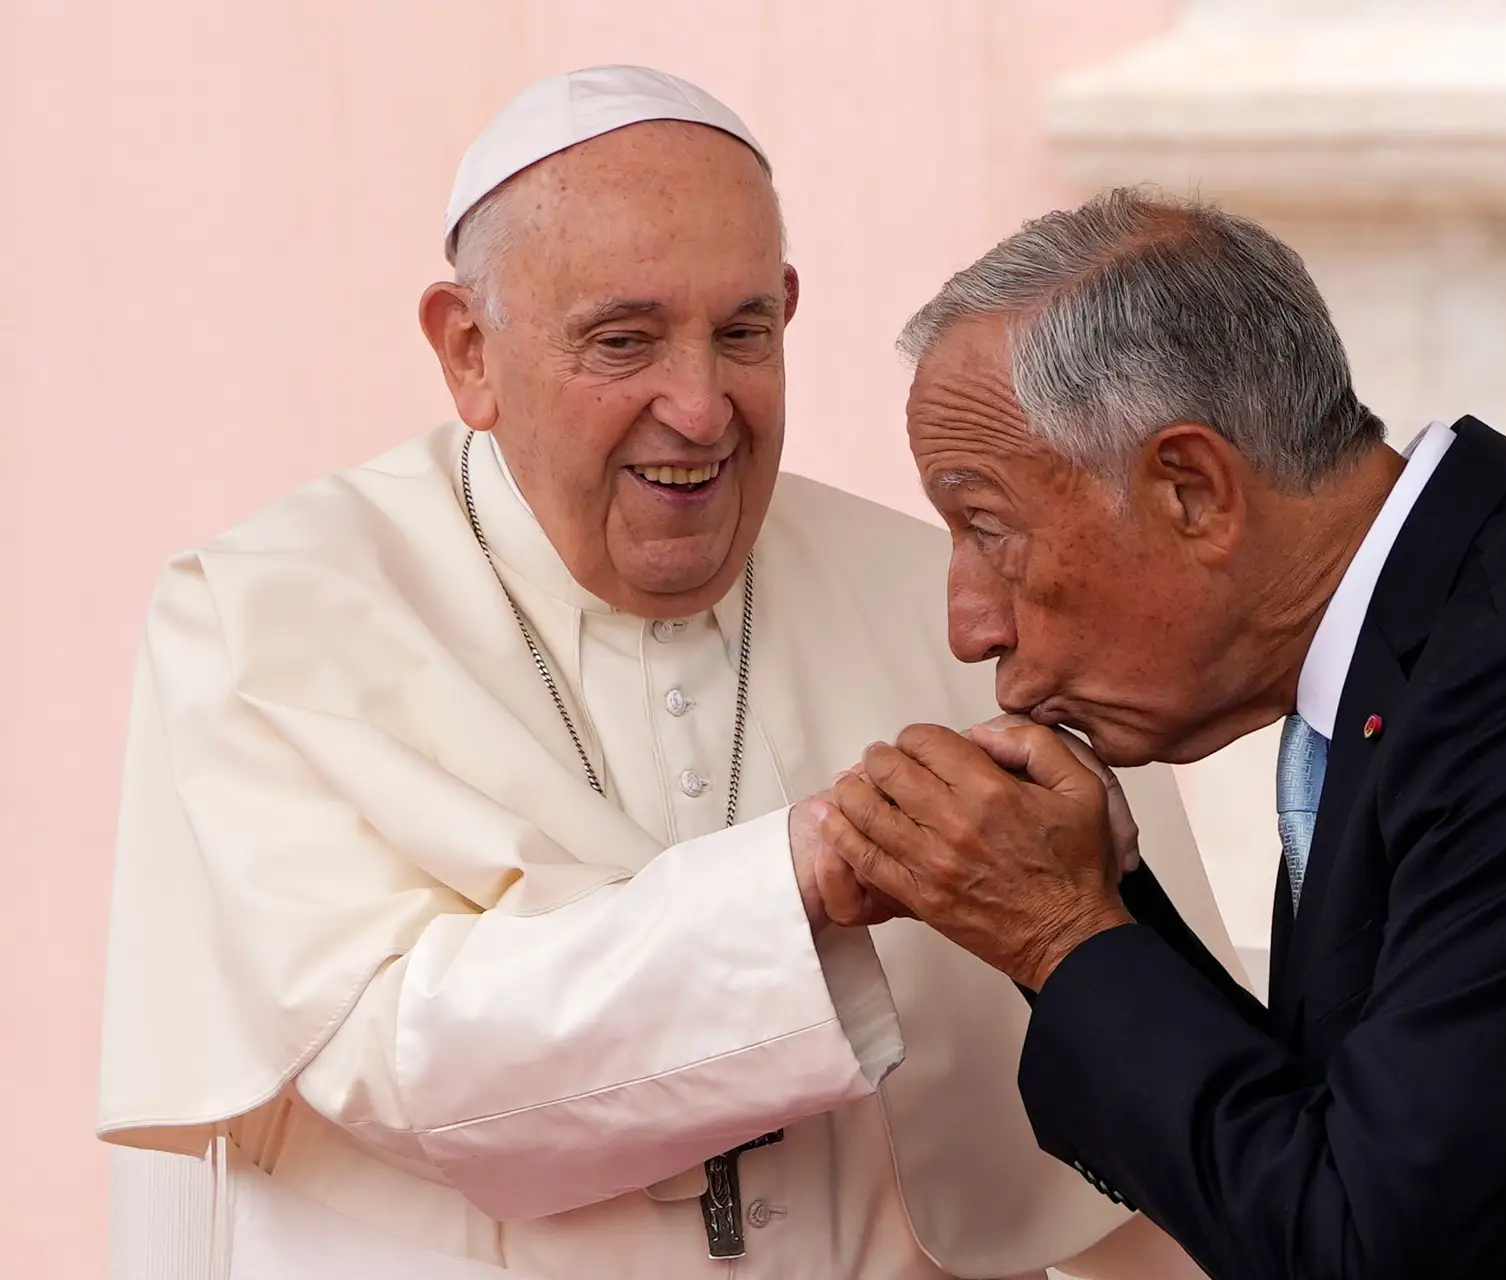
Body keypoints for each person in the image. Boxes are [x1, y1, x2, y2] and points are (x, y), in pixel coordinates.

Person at [94, 70, 1230, 1280]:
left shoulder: (944, 604)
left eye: (744, 332)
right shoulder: (268, 617)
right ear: (468, 350)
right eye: (623, 340)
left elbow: (1157, 1125)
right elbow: (398, 1059)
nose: (698, 407)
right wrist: (809, 868)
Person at [821, 187, 1506, 1279]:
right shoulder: (1449, 628)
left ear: (1193, 489)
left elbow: (1354, 1242)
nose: (971, 625)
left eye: (988, 529)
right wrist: (1091, 908)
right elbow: (1325, 1133)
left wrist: (1059, 931)